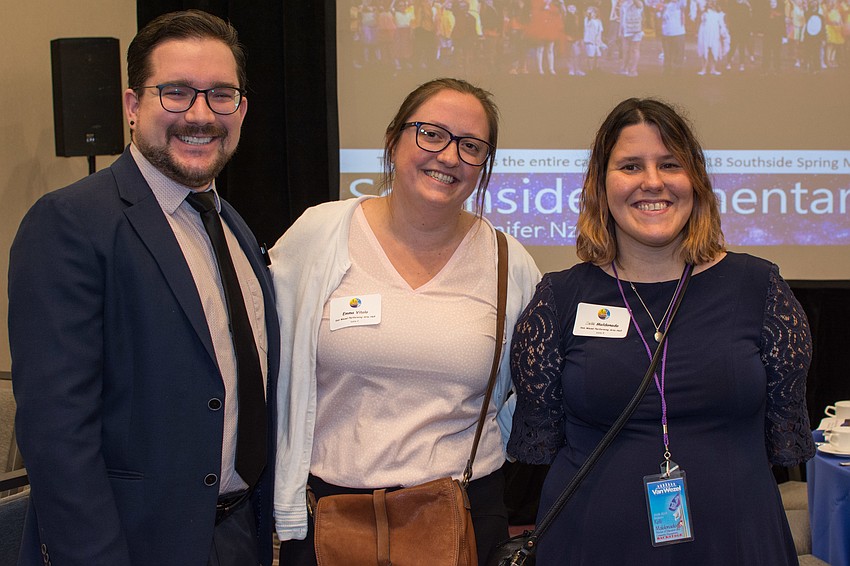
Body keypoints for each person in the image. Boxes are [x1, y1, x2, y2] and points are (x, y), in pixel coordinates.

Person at [8, 10, 279, 566]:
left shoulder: (233, 226)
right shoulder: (70, 222)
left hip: (237, 536)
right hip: (132, 544)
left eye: (220, 95)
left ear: (242, 110)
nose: (200, 115)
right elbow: (58, 433)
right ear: (134, 106)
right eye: (176, 93)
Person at [507, 97, 815, 564]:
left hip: (739, 542)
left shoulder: (760, 289)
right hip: (591, 543)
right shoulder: (558, 300)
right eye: (630, 165)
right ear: (600, 184)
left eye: (670, 164)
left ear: (695, 180)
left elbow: (781, 436)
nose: (652, 182)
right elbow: (542, 442)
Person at [269, 77, 540, 565]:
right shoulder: (319, 235)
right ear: (394, 139)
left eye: (471, 146)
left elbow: (524, 396)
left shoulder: (508, 263)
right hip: (330, 516)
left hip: (461, 516)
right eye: (431, 134)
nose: (449, 156)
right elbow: (267, 360)